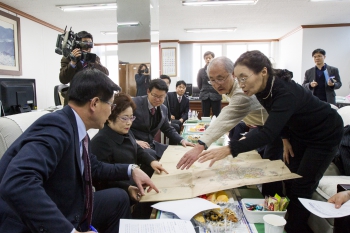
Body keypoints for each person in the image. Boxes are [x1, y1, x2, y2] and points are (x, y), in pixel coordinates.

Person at [189, 50, 343, 233]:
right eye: (238, 78)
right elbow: (279, 116)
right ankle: (283, 219)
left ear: (263, 72)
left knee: (303, 185)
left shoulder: (284, 91)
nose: (241, 84)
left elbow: (268, 133)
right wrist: (285, 138)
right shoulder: (262, 88)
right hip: (299, 132)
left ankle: (293, 228)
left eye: (244, 78)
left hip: (324, 133)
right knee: (290, 177)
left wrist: (229, 149)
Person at [0, 68, 158, 233]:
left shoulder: (77, 129)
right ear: (94, 103)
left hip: (69, 203)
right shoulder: (56, 127)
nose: (111, 110)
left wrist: (131, 170)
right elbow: (18, 182)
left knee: (118, 198)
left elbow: (93, 166)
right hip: (31, 222)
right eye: (111, 104)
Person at [177, 56, 283, 197]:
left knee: (271, 170)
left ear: (233, 74)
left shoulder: (242, 91)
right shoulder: (232, 88)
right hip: (267, 127)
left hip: (281, 130)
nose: (216, 84)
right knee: (262, 162)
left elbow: (228, 115)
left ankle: (273, 207)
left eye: (221, 78)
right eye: (212, 80)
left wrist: (200, 145)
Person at [131, 79, 194, 159]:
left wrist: (182, 140)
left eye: (161, 97)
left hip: (150, 144)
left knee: (176, 152)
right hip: (134, 145)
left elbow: (168, 129)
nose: (157, 99)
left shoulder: (163, 109)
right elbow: (120, 127)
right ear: (148, 91)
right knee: (153, 156)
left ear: (165, 95)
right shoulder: (134, 104)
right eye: (155, 95)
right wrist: (135, 141)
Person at [197, 51, 222, 117]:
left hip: (216, 95)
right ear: (204, 59)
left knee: (217, 115)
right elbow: (199, 84)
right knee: (205, 115)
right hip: (205, 96)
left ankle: (217, 127)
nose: (208, 59)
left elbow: (221, 82)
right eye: (206, 58)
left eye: (210, 58)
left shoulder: (218, 70)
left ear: (213, 59)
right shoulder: (201, 71)